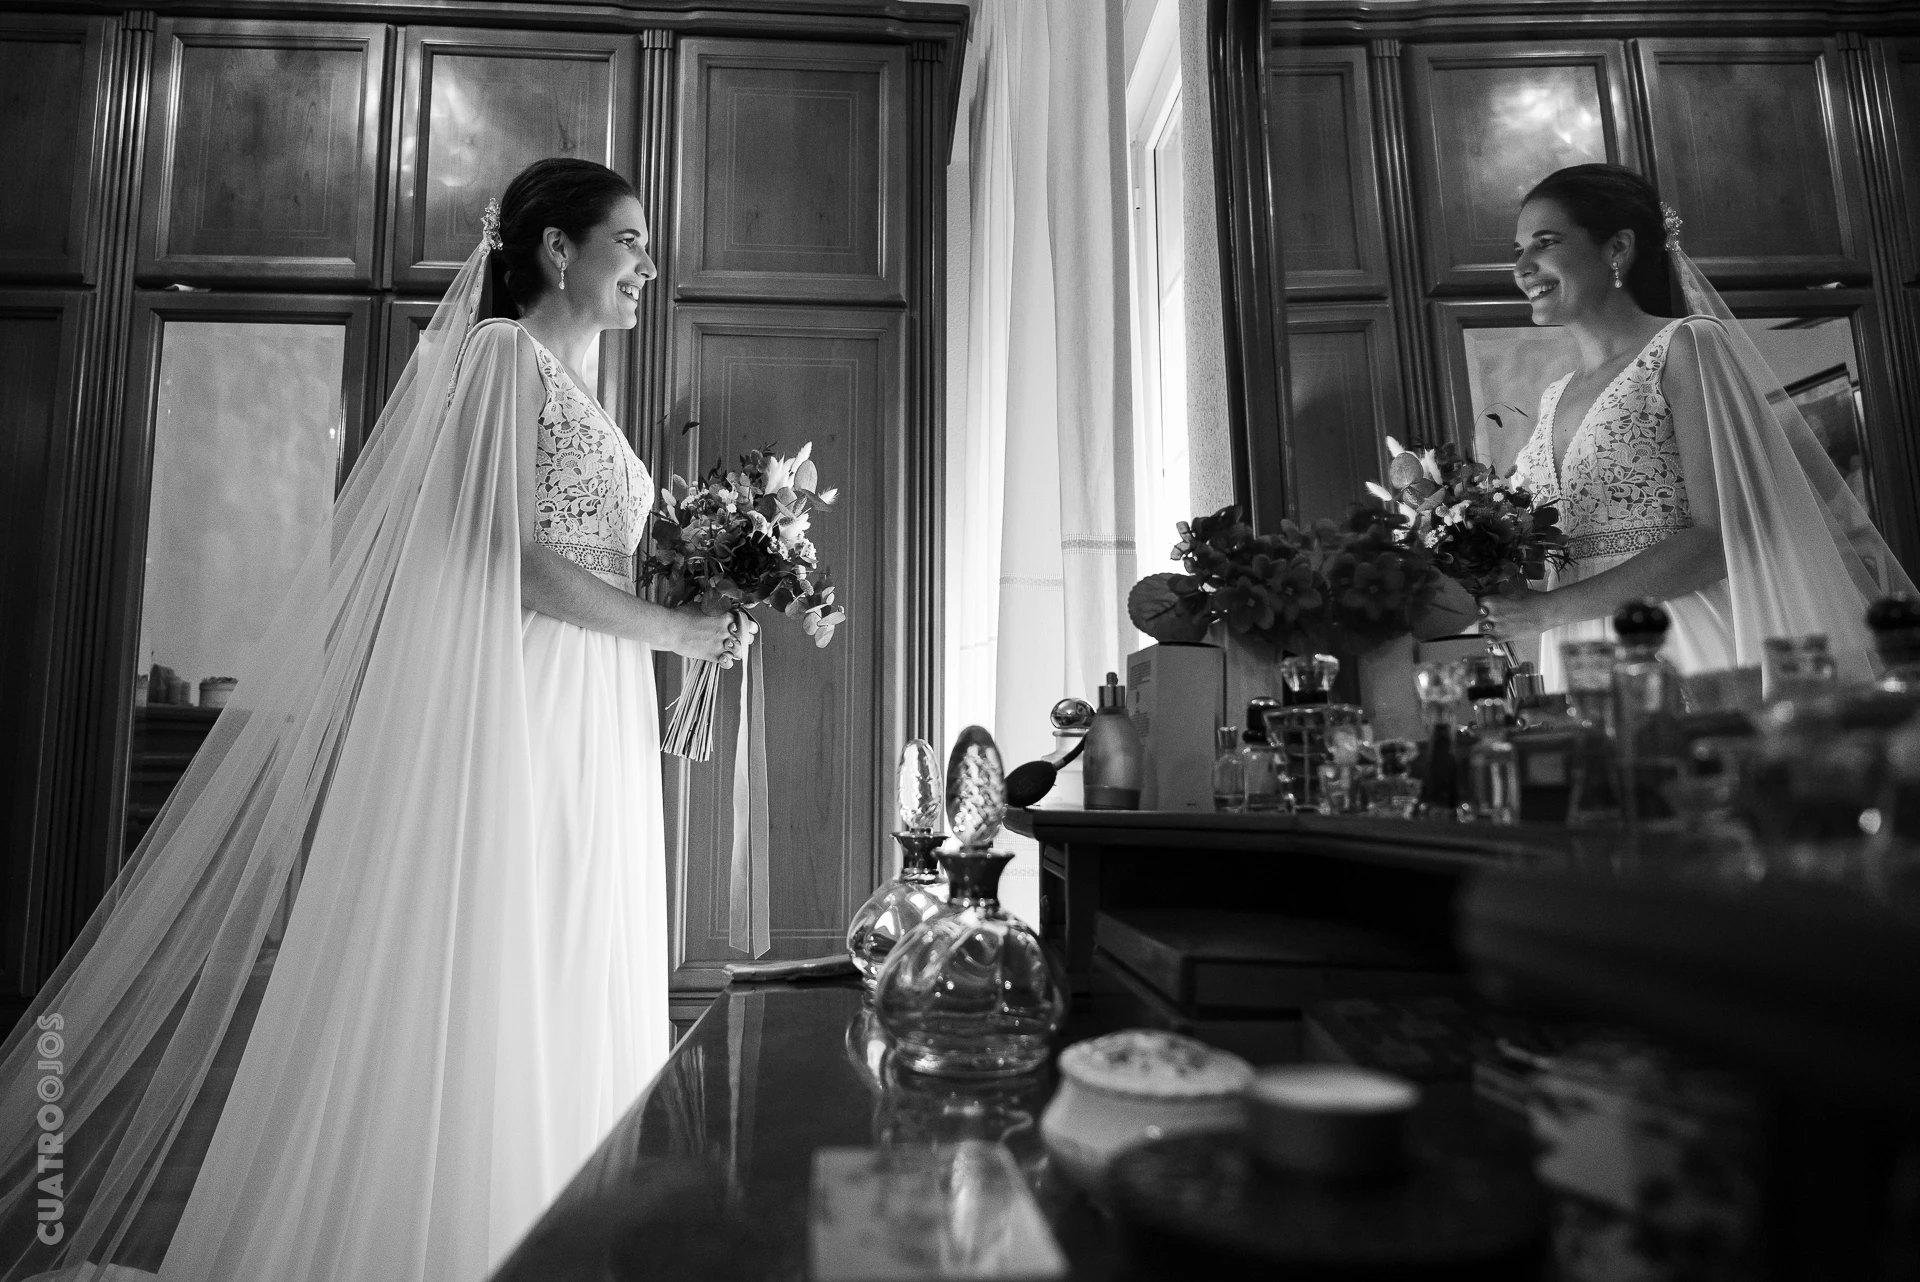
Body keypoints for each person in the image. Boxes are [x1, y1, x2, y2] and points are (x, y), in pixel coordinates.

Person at [0, 158, 755, 1281]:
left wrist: (705, 597)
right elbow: (515, 563)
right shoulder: (502, 358)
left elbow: (586, 555)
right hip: (529, 711)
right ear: (559, 251)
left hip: (591, 715)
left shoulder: (577, 388)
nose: (649, 265)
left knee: (570, 964)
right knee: (511, 966)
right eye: (631, 241)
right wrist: (676, 632)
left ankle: (557, 1230)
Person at [1482, 162, 1912, 688]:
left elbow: (1718, 536)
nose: (1522, 267)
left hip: (1679, 637)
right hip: (1579, 652)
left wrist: (1547, 611)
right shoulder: (1553, 397)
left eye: (1545, 243)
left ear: (1618, 247)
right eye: (1518, 251)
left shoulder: (1686, 346)